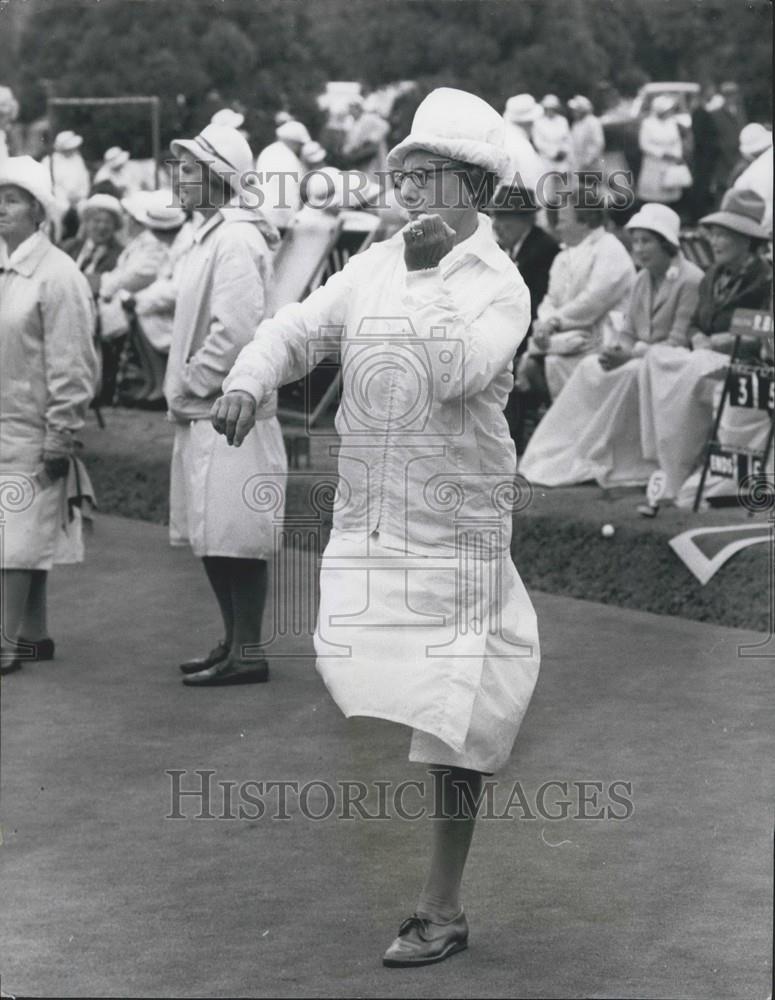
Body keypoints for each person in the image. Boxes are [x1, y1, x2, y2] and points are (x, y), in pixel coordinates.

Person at [211, 87, 541, 967]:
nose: (410, 190)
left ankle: (441, 905)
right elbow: (298, 327)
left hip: (457, 524)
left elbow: (456, 373)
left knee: (456, 719)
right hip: (370, 522)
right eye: (405, 174)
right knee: (366, 673)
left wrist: (432, 277)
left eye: (428, 175)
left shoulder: (500, 284)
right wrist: (250, 377)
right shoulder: (374, 261)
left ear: (471, 186)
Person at [165, 122, 287, 686]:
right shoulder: (208, 234)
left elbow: (236, 329)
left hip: (228, 412)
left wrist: (194, 379)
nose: (178, 177)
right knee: (212, 533)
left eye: (189, 168)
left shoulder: (236, 237)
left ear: (219, 177)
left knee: (236, 535)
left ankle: (248, 650)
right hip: (203, 411)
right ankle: (233, 642)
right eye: (178, 166)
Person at [519, 204, 704, 487]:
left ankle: (615, 453)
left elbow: (678, 340)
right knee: (591, 368)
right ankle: (576, 449)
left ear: (666, 243)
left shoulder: (690, 280)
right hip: (635, 356)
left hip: (669, 363)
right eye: (637, 241)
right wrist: (617, 349)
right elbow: (628, 328)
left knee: (625, 373)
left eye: (647, 241)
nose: (639, 249)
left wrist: (631, 354)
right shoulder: (643, 278)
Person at [0, 156, 98, 676]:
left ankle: (5, 643)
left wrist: (61, 431)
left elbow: (73, 361)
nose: (0, 210)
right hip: (3, 419)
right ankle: (33, 634)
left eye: (11, 200)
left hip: (34, 426)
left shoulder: (59, 275)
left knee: (14, 539)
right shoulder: (5, 266)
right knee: (20, 533)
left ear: (38, 212)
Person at [638, 188, 772, 505]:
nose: (713, 242)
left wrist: (727, 340)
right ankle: (669, 463)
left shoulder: (765, 278)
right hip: (705, 356)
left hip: (744, 363)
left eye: (722, 235)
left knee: (689, 370)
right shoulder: (712, 275)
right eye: (712, 234)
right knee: (657, 358)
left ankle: (688, 466)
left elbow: (764, 330)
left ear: (746, 239)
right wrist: (698, 337)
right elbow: (698, 321)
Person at [515, 194, 635, 401]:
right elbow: (550, 300)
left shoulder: (611, 250)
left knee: (548, 363)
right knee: (528, 362)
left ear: (584, 220)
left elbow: (594, 300)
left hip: (602, 338)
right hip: (566, 338)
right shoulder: (563, 256)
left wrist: (554, 322)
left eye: (562, 221)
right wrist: (545, 324)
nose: (557, 228)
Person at [487, 183, 560, 450]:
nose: (497, 224)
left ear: (524, 219)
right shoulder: (510, 249)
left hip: (532, 331)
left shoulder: (541, 250)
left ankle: (508, 440)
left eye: (504, 217)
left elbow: (533, 305)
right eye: (495, 216)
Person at [97, 190, 185, 406]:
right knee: (133, 312)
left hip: (176, 311)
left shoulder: (181, 245)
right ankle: (154, 384)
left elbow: (174, 287)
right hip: (159, 305)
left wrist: (137, 299)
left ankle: (159, 386)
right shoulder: (158, 242)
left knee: (138, 315)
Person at [255, 119, 310, 230]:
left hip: (262, 213)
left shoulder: (267, 151)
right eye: (300, 145)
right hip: (281, 219)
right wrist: (293, 220)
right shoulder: (290, 159)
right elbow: (290, 193)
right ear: (293, 142)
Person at [636, 96, 689, 205]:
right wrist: (662, 154)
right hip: (654, 163)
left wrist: (677, 155)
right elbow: (644, 144)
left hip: (671, 163)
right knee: (654, 197)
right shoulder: (648, 123)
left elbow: (677, 141)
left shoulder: (672, 122)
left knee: (670, 194)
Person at [40, 130, 91, 240]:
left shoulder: (78, 159)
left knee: (86, 210)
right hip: (58, 198)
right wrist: (64, 197)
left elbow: (84, 181)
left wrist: (80, 196)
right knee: (58, 212)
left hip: (78, 198)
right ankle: (56, 240)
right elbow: (45, 185)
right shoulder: (49, 161)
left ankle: (80, 241)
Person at [340, 95, 390, 182]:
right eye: (350, 108)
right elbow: (350, 143)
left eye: (352, 108)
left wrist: (371, 139)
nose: (350, 111)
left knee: (375, 176)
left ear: (358, 108)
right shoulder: (351, 123)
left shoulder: (369, 118)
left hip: (373, 156)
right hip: (360, 157)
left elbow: (385, 126)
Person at [501, 94, 544, 189]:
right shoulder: (521, 146)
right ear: (530, 121)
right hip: (520, 200)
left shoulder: (505, 135)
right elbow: (530, 183)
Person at [567, 95, 605, 174]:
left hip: (591, 164)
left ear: (582, 110)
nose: (574, 112)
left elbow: (598, 143)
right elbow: (572, 143)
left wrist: (587, 161)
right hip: (578, 163)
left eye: (576, 110)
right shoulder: (576, 124)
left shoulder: (593, 122)